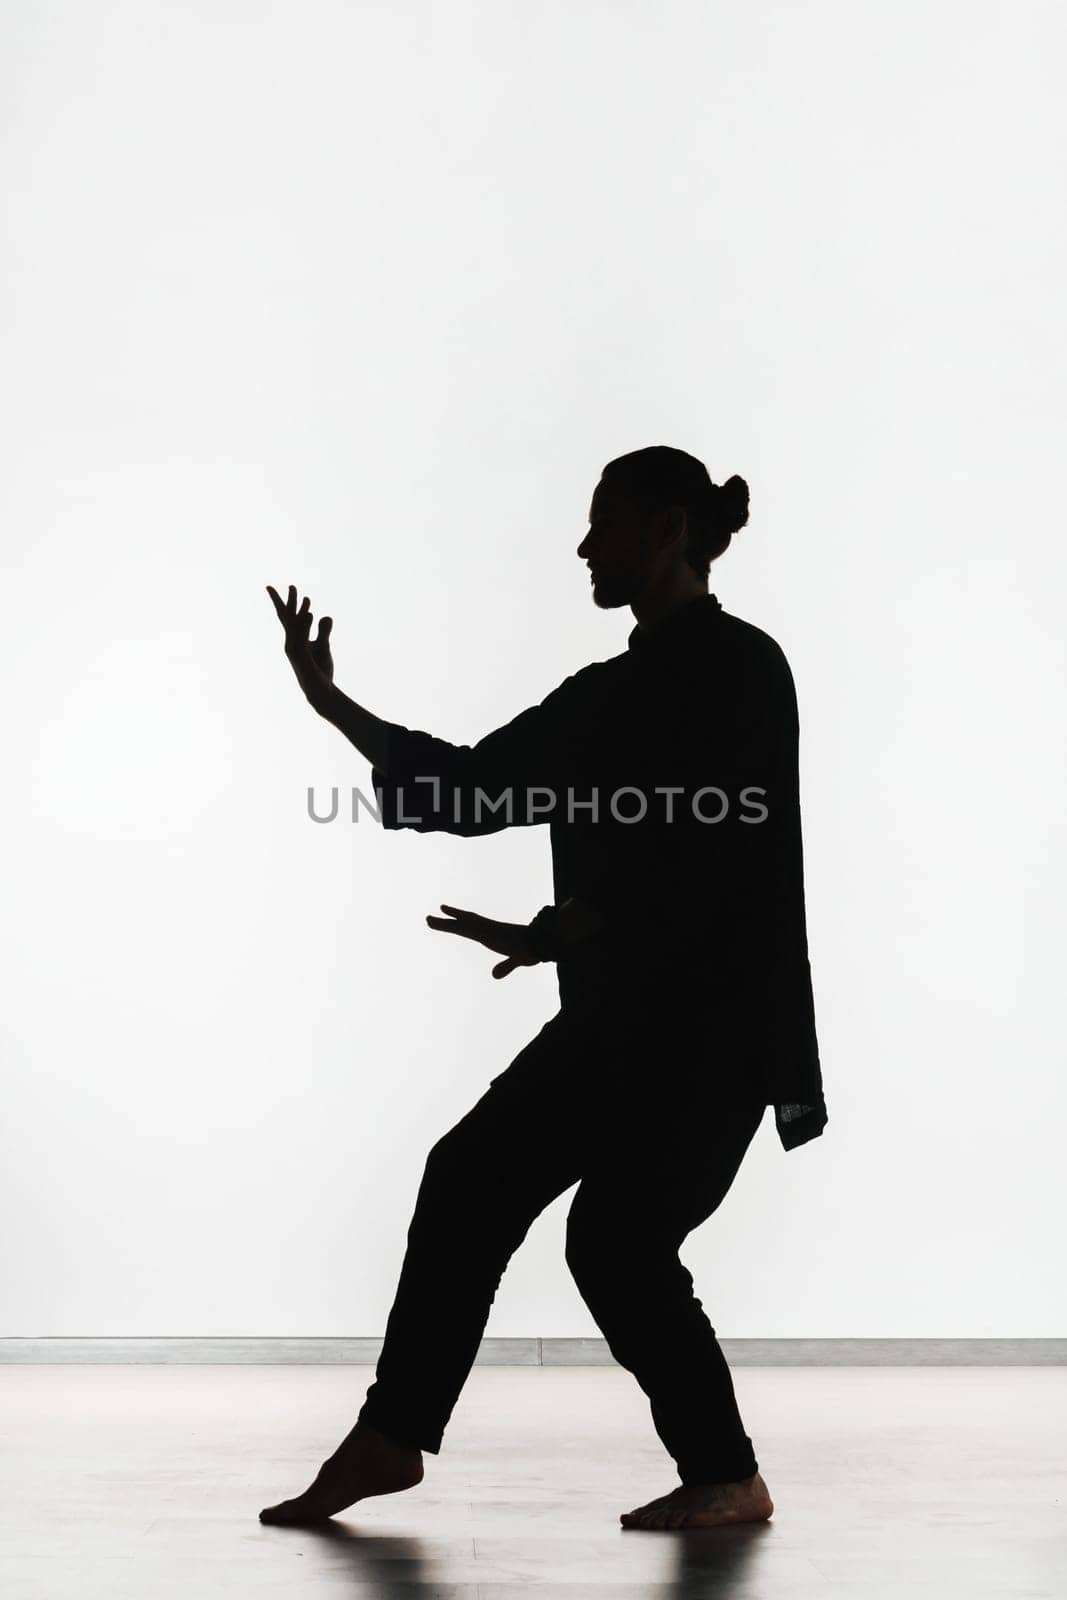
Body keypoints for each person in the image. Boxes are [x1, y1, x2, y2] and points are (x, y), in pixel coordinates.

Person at [259, 444, 827, 1532]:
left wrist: (573, 927)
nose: (581, 546)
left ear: (666, 530)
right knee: (473, 1177)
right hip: (621, 1024)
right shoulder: (606, 694)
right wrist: (332, 703)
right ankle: (393, 1437)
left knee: (613, 1243)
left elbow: (717, 855)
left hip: (711, 1035)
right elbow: (471, 790)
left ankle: (725, 1476)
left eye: (601, 523)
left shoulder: (743, 669)